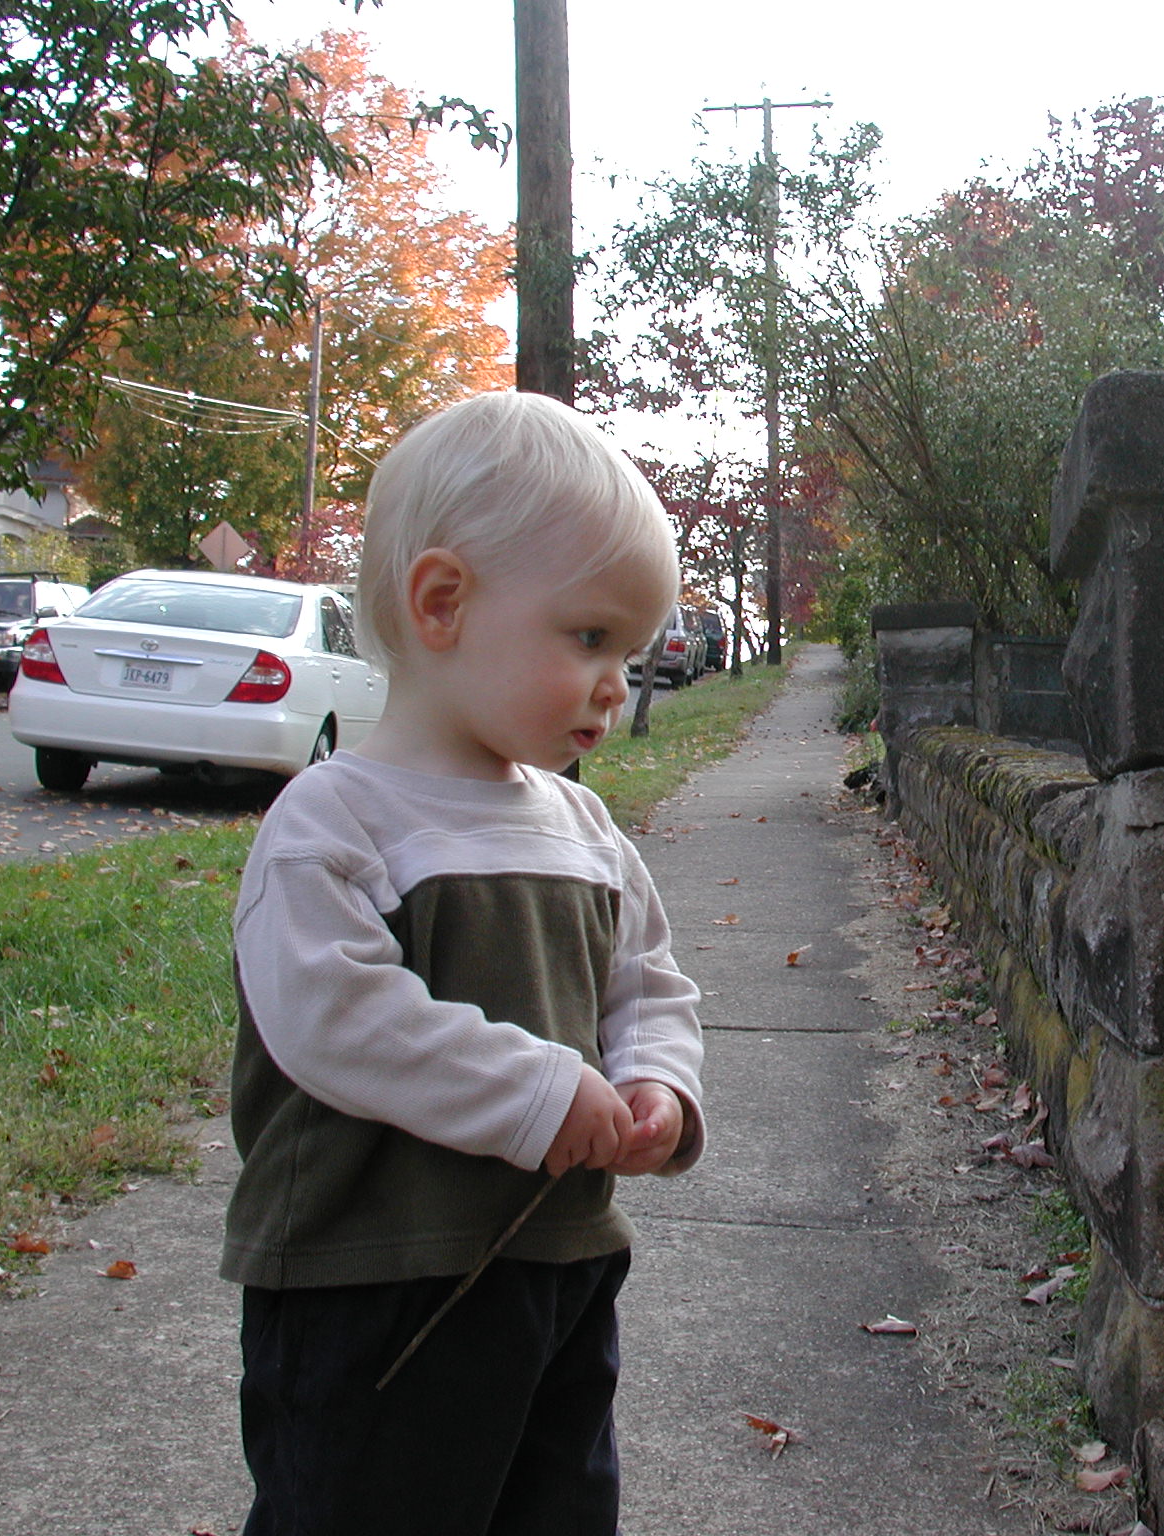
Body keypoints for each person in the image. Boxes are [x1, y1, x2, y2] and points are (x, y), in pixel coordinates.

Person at [221, 391, 705, 1536]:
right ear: (441, 603)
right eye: (589, 638)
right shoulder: (335, 821)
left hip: (559, 1263)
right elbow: (334, 1016)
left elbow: (645, 983)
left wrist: (658, 1082)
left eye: (631, 653)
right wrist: (536, 1092)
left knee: (557, 1508)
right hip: (370, 1282)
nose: (617, 684)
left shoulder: (585, 831)